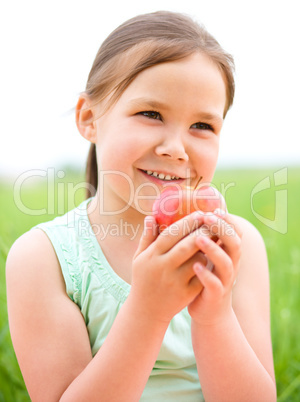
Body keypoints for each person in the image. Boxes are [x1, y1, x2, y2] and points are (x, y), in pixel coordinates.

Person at [6, 10, 276, 401]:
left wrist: (213, 316)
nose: (176, 148)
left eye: (203, 126)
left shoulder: (236, 245)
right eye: (151, 114)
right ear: (89, 118)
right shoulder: (43, 258)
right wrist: (149, 311)